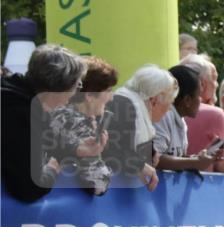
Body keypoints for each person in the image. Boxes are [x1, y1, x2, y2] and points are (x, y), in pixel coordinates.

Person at [1, 44, 87, 202]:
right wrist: (53, 168)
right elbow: (28, 188)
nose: (75, 94)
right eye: (77, 85)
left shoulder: (22, 101)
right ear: (60, 87)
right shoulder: (16, 112)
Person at [47, 57, 118, 195]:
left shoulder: (64, 114)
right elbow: (97, 185)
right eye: (108, 91)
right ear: (90, 96)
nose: (111, 97)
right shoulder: (72, 121)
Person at [105, 65, 178, 192]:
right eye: (170, 103)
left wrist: (151, 152)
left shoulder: (130, 103)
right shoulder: (123, 105)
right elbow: (108, 150)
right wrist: (138, 165)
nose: (170, 109)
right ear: (155, 100)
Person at [155, 65, 224, 175]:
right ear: (187, 100)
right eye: (198, 95)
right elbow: (155, 159)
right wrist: (194, 162)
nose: (201, 100)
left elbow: (175, 158)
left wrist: (199, 158)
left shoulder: (181, 120)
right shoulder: (163, 115)